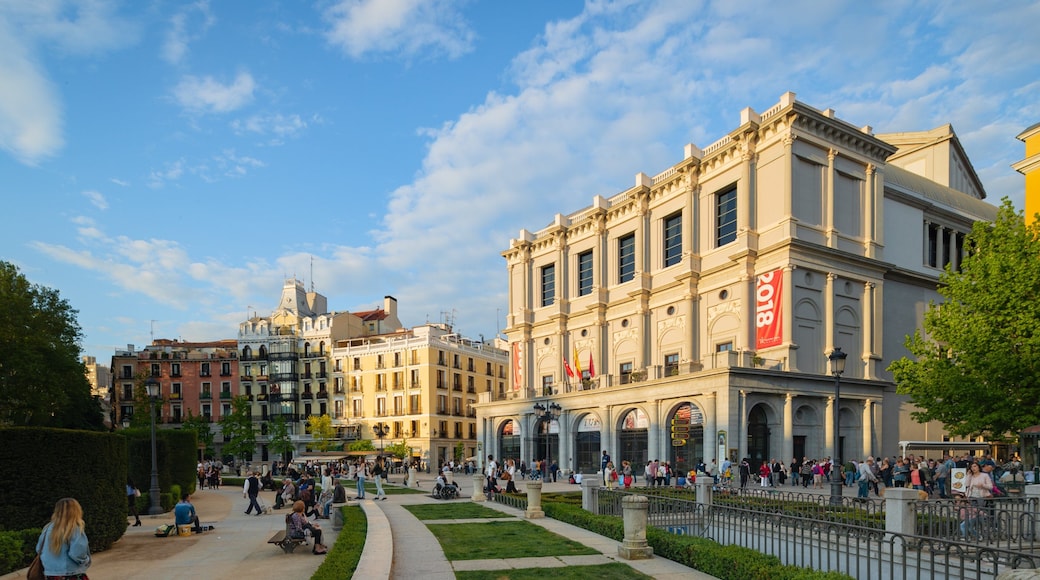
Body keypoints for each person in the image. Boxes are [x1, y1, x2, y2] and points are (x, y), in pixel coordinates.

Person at [36, 498, 91, 579]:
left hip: (51, 574)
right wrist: (86, 561)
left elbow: (39, 549)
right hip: (71, 573)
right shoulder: (74, 528)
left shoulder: (47, 528)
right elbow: (78, 553)